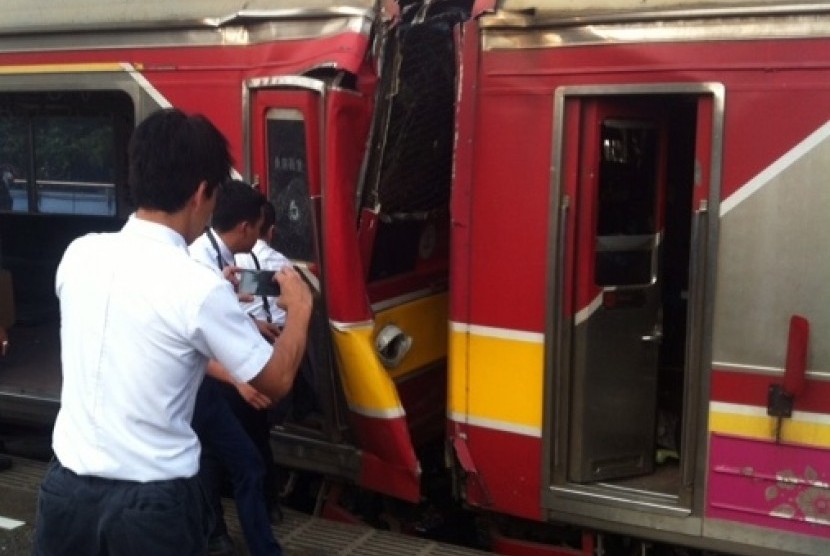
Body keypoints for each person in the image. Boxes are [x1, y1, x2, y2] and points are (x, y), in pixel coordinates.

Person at [33, 108, 313, 556]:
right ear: (202, 192)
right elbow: (276, 380)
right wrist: (299, 310)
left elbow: (144, 338)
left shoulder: (79, 255)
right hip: (152, 509)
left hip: (65, 494)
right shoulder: (196, 286)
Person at [189, 180, 284, 556]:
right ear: (246, 227)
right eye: (260, 228)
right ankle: (217, 534)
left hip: (220, 375)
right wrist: (240, 380)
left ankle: (246, 536)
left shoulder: (221, 257)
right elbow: (194, 338)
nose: (261, 237)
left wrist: (253, 323)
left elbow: (219, 313)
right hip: (206, 380)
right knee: (215, 460)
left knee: (243, 457)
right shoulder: (199, 260)